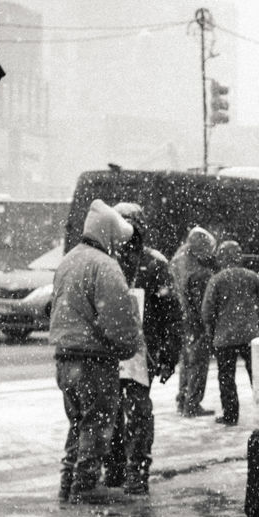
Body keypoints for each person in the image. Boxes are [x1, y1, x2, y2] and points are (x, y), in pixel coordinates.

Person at [49, 199, 143, 505]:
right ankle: (86, 485)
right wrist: (128, 345)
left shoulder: (68, 261)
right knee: (98, 423)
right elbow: (118, 317)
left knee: (78, 422)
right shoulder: (105, 266)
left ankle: (68, 481)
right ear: (110, 236)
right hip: (94, 359)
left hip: (65, 356)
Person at [104, 202, 182, 495]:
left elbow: (171, 314)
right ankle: (117, 468)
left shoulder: (153, 264)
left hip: (139, 351)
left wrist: (169, 355)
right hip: (114, 349)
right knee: (112, 413)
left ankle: (134, 470)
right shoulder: (108, 261)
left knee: (135, 413)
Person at [201, 239, 259, 426]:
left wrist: (212, 326)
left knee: (226, 378)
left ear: (221, 257)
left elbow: (207, 311)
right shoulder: (251, 276)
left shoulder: (217, 280)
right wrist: (254, 312)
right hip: (249, 335)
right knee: (256, 375)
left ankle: (230, 415)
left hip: (224, 337)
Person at [170, 225, 217, 417]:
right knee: (198, 362)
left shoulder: (178, 260)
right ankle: (192, 403)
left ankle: (183, 399)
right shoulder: (200, 273)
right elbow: (203, 305)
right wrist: (208, 324)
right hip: (196, 322)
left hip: (181, 320)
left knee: (187, 361)